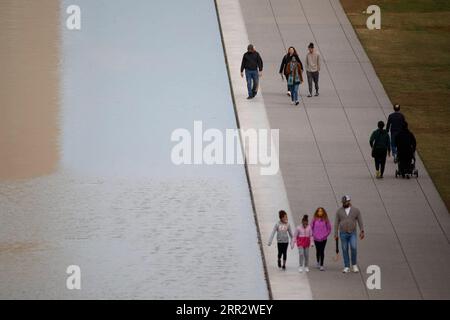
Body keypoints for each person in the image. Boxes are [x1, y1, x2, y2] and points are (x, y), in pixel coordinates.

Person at [334, 195, 364, 273]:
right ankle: (347, 266)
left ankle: (354, 265)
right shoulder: (339, 211)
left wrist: (362, 230)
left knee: (354, 247)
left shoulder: (356, 210)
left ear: (349, 201)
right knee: (344, 249)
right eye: (343, 202)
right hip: (343, 233)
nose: (344, 203)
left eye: (345, 202)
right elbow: (336, 223)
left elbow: (360, 221)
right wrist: (335, 233)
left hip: (352, 233)